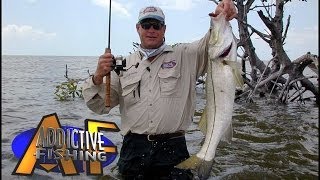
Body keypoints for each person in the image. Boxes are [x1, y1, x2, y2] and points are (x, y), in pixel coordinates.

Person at [82, 0, 237, 179]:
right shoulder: (121, 65)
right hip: (133, 149)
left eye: (157, 25)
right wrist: (97, 77)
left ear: (164, 29)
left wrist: (221, 14)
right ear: (138, 28)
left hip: (173, 148)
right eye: (147, 24)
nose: (151, 30)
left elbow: (213, 41)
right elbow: (100, 107)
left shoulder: (186, 55)